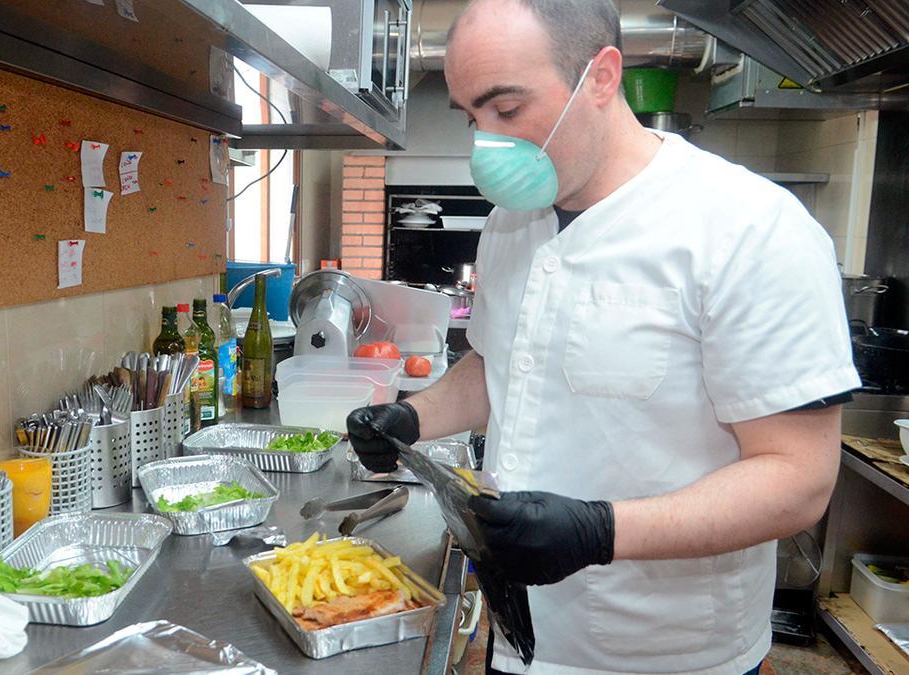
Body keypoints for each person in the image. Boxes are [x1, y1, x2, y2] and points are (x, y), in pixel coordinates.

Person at [346, 0, 859, 673]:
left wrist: (599, 530)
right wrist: (411, 416)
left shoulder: (750, 230)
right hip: (522, 637)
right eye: (473, 118)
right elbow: (500, 364)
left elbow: (799, 479)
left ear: (602, 76)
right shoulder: (512, 220)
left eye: (507, 109)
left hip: (667, 652)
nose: (486, 145)